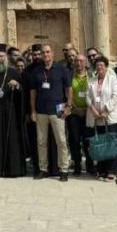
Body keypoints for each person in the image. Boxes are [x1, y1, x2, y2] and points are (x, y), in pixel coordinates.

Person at [0, 45, 27, 178]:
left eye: (2, 56)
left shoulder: (13, 73)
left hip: (11, 112)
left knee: (12, 139)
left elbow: (22, 92)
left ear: (6, 58)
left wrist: (17, 86)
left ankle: (13, 170)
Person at [29, 43, 72, 181]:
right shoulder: (37, 71)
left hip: (57, 110)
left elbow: (69, 89)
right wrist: (33, 110)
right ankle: (43, 168)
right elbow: (33, 92)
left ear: (52, 53)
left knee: (61, 140)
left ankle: (64, 169)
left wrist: (68, 106)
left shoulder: (61, 69)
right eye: (43, 53)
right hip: (41, 110)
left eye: (48, 52)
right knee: (41, 141)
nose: (45, 55)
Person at [86, 56, 117, 181]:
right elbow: (88, 97)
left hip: (111, 117)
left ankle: (112, 171)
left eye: (102, 65)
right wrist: (94, 110)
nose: (100, 67)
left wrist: (106, 110)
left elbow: (116, 95)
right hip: (97, 117)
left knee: (111, 143)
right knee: (100, 143)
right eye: (97, 65)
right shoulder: (91, 80)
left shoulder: (112, 79)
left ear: (106, 66)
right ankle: (101, 170)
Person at [67, 54, 94, 176]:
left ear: (85, 62)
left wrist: (88, 108)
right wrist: (75, 108)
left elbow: (95, 93)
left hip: (89, 112)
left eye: (81, 61)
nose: (79, 63)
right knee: (74, 140)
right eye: (77, 61)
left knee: (88, 140)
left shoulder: (91, 76)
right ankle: (77, 164)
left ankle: (90, 164)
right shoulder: (70, 76)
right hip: (74, 113)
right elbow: (67, 93)